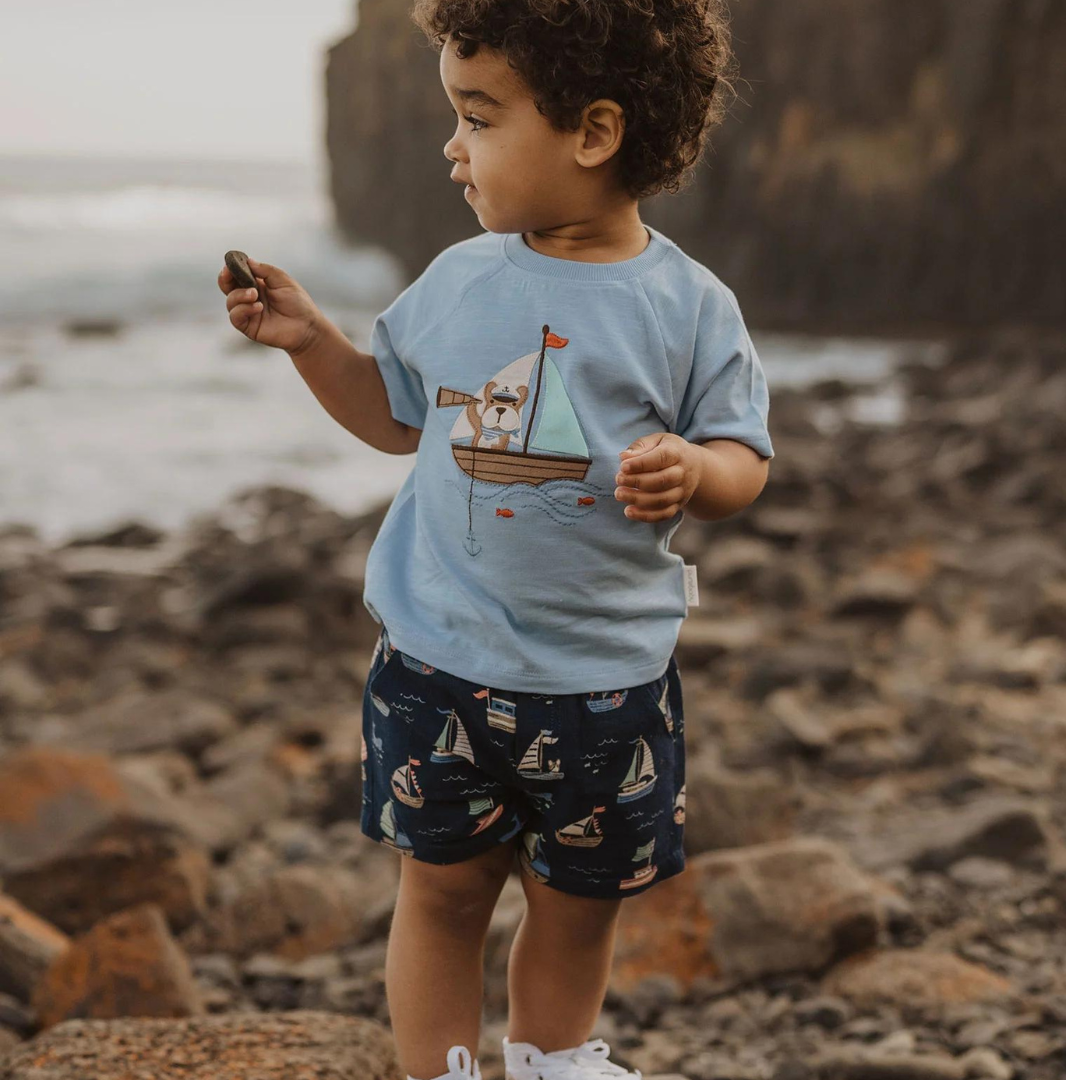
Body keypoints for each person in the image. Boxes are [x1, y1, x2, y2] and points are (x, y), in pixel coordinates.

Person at [217, 3, 775, 1078]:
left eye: (477, 118)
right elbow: (394, 414)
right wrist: (311, 341)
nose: (451, 146)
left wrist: (697, 472)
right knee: (441, 891)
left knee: (578, 905)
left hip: (607, 680)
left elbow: (744, 459)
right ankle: (439, 1070)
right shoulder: (460, 280)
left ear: (594, 133)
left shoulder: (690, 308)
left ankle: (553, 1061)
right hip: (439, 664)